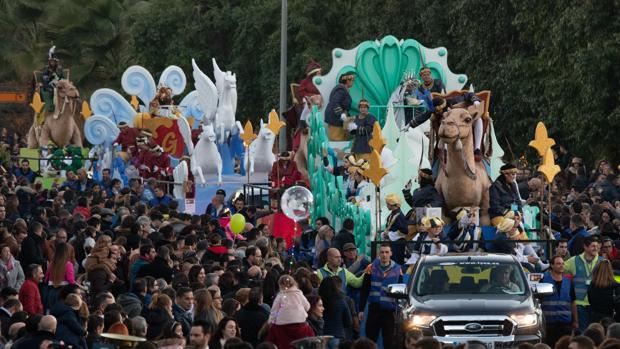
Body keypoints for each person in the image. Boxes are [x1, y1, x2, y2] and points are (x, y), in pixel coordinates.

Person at [359, 243, 402, 349]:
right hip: (374, 309)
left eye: (387, 252)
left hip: (390, 311)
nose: (384, 255)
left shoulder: (397, 269)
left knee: (389, 341)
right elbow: (364, 290)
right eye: (382, 252)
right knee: (370, 340)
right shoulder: (371, 267)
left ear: (391, 253)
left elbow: (401, 291)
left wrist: (400, 310)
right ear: (379, 253)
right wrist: (361, 309)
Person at [564, 236, 603, 332]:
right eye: (593, 246)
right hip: (580, 304)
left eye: (597, 246)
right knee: (583, 332)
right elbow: (560, 270)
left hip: (596, 304)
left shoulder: (603, 262)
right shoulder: (574, 260)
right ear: (585, 247)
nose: (596, 248)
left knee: (595, 333)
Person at [542, 255, 578, 347]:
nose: (561, 265)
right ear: (552, 265)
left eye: (563, 263)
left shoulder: (568, 282)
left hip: (565, 324)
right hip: (549, 324)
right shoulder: (544, 281)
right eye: (558, 263)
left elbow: (573, 302)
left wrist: (575, 321)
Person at [319, 276, 352, 349]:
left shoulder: (319, 302)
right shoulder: (341, 300)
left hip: (321, 336)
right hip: (337, 335)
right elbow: (348, 321)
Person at [324, 71, 355, 141]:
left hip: (339, 118)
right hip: (335, 118)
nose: (353, 82)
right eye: (352, 80)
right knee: (337, 139)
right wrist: (341, 114)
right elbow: (335, 102)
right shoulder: (340, 89)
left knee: (342, 138)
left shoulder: (343, 89)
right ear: (347, 81)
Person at [587, 259, 620, 323]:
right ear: (610, 271)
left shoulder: (592, 285)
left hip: (595, 318)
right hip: (611, 319)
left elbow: (590, 301)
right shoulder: (616, 286)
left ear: (597, 271)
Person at [381, 193, 408, 264]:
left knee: (396, 263)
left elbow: (404, 231)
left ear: (391, 204)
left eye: (387, 204)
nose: (386, 205)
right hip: (391, 244)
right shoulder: (392, 214)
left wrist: (389, 234)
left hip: (398, 245)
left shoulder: (400, 216)